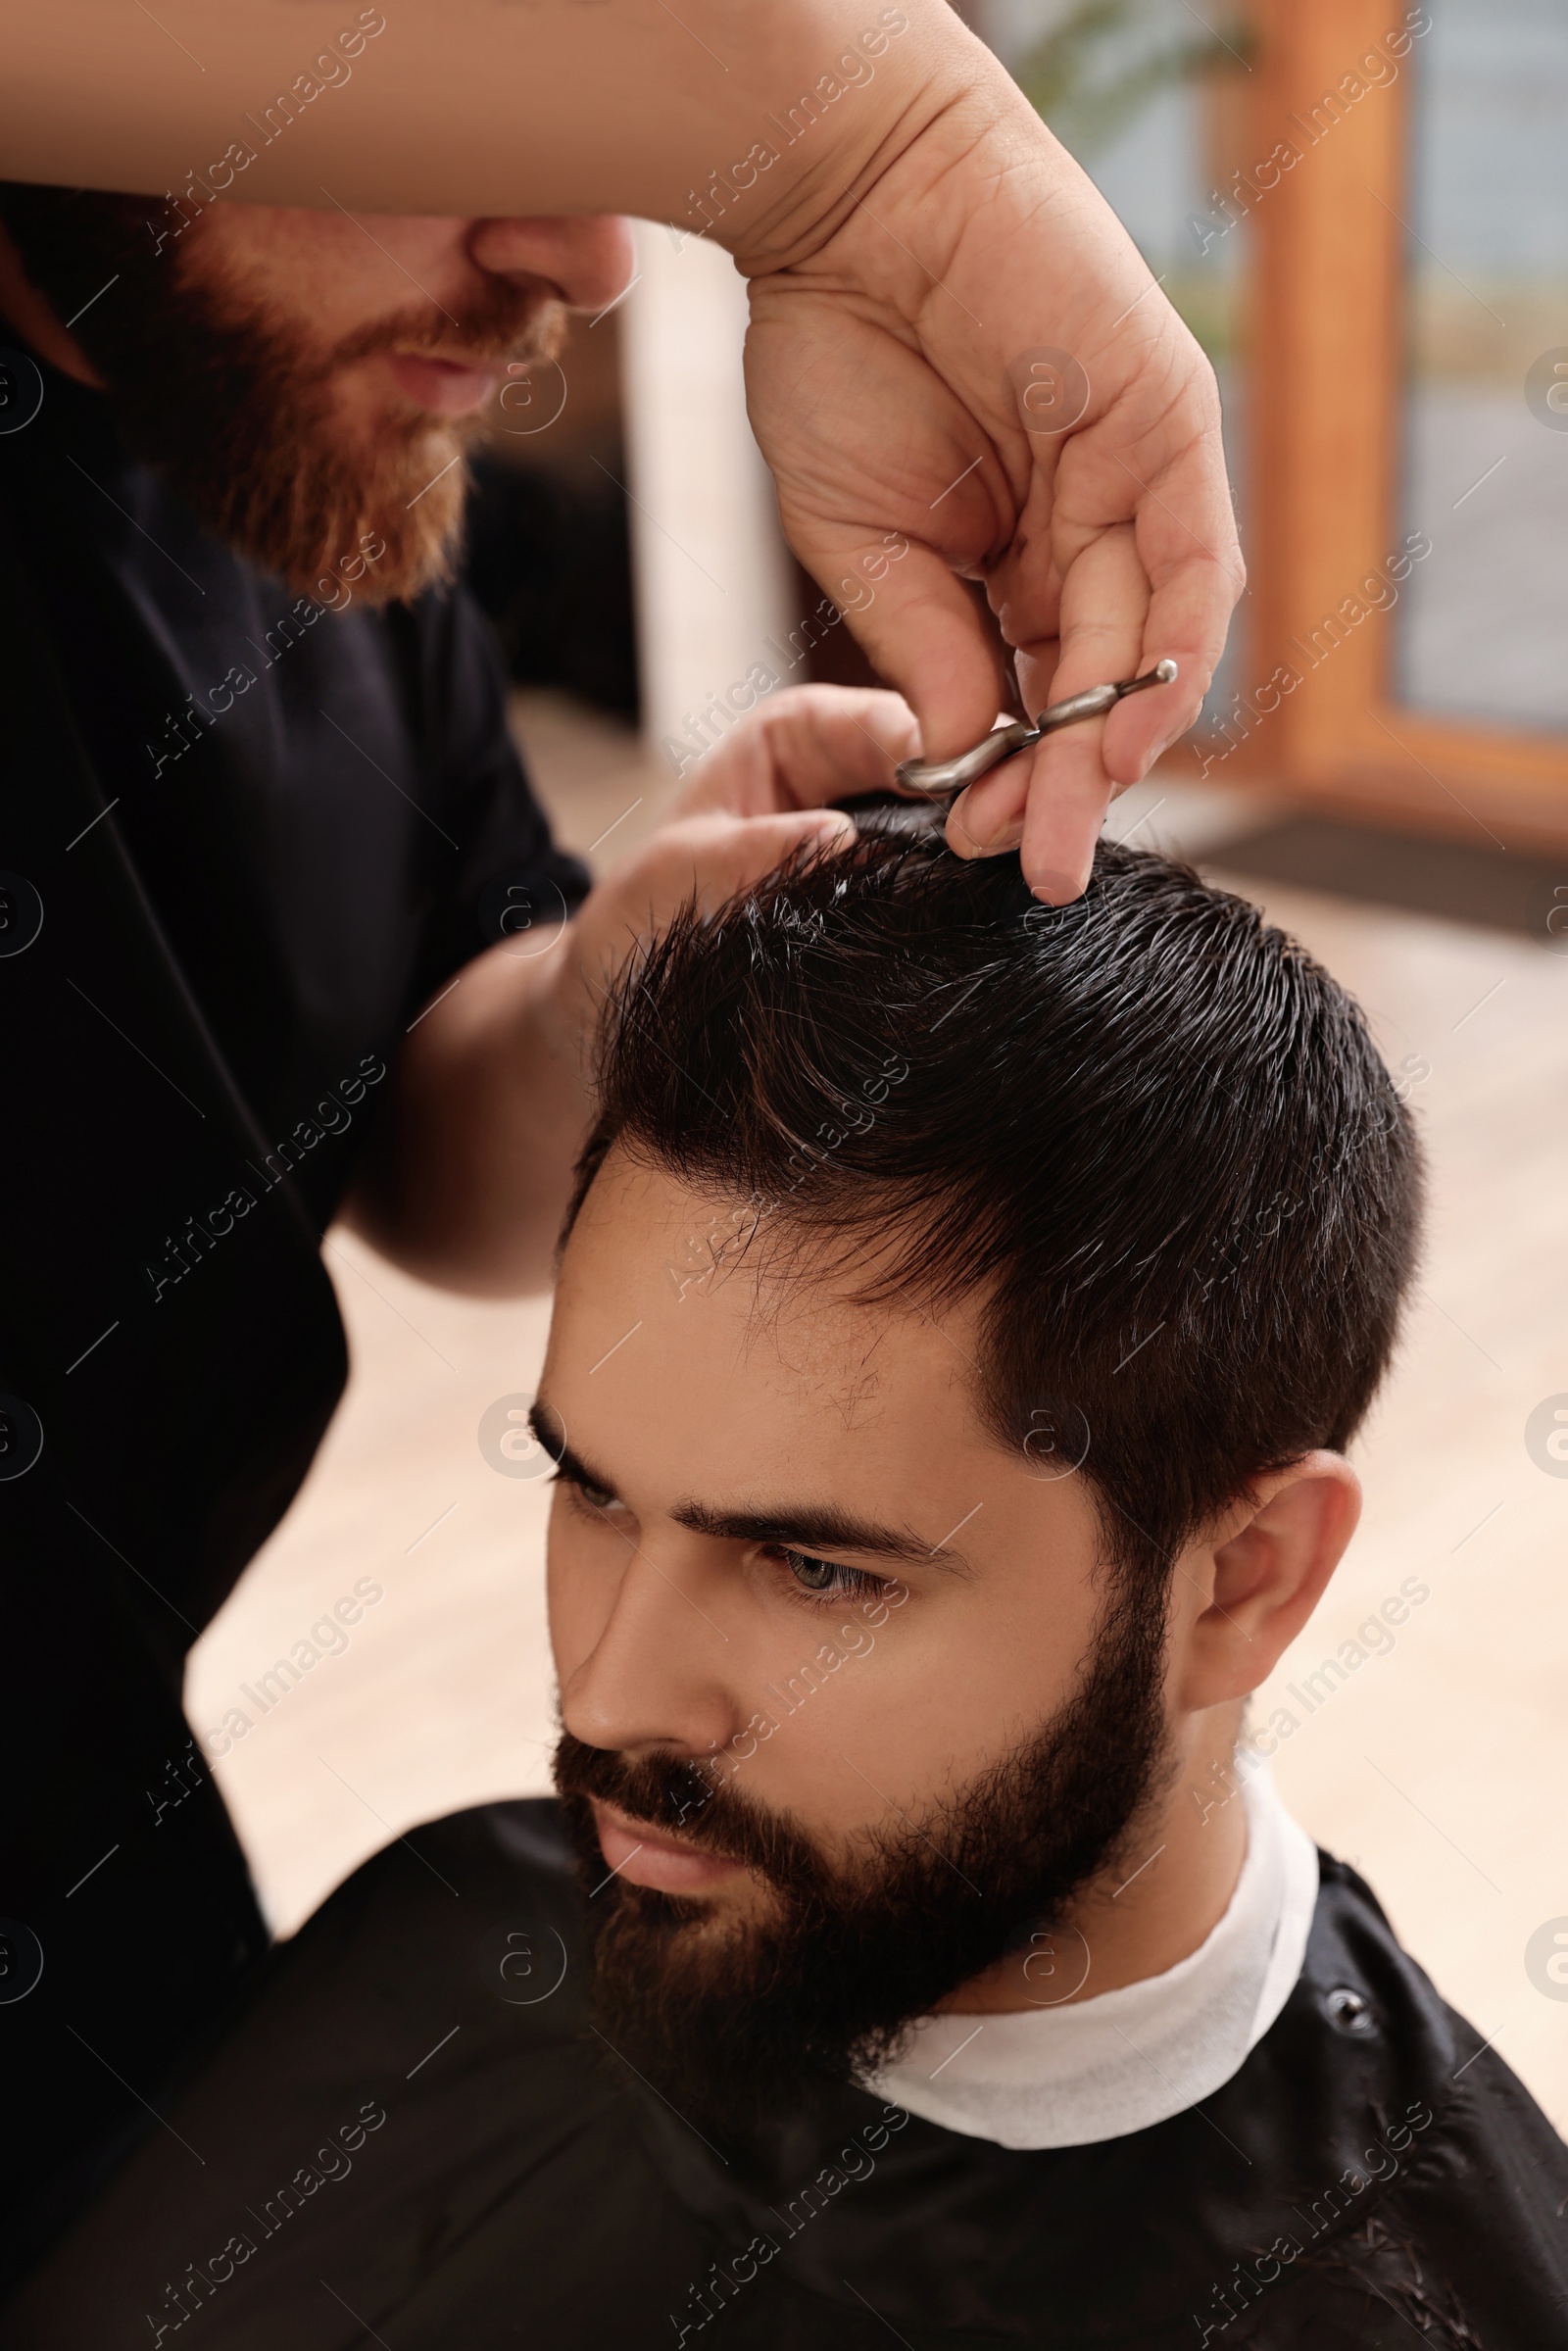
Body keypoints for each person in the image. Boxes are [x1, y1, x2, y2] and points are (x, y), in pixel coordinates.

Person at [0, 0, 1245, 2278]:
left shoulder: (312, 479)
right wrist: (877, 164)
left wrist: (609, 997)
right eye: (476, 66)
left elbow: (411, 1151)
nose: (584, 244)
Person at [9, 829, 1563, 2348]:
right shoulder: (459, 1918)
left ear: (1244, 1582)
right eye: (592, 1494)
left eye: (816, 1568)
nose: (610, 1698)